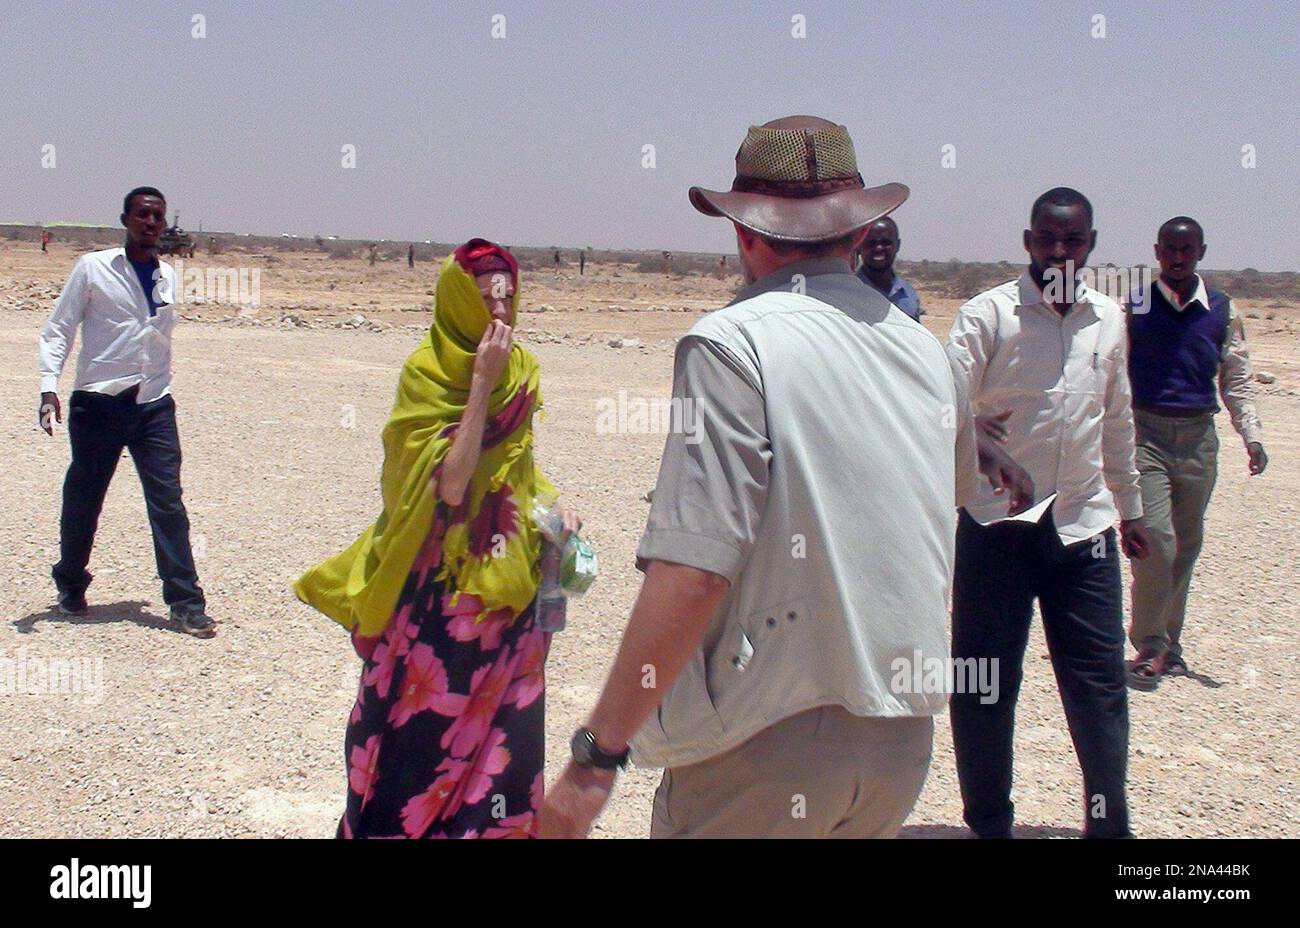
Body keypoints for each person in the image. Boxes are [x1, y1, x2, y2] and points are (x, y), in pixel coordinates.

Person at [539, 116, 1029, 839]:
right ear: (861, 234)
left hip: (762, 748)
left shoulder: (732, 345)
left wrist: (595, 759)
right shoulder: (926, 354)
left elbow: (695, 569)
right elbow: (934, 507)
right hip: (897, 749)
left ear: (743, 231)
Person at [294, 238, 580, 839]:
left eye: (508, 298)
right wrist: (480, 383)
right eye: (485, 301)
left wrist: (553, 511)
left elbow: (517, 469)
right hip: (439, 600)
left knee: (504, 746)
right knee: (421, 742)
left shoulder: (522, 370)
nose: (500, 314)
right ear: (458, 303)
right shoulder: (427, 375)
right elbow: (450, 486)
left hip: (509, 591)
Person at [946, 187, 1152, 839]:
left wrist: (1132, 507)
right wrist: (974, 435)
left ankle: (1109, 827)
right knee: (983, 686)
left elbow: (1116, 418)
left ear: (1091, 243)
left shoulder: (1109, 319)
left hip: (1083, 529)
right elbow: (937, 403)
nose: (1058, 250)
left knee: (1099, 690)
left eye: (1072, 240)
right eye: (1046, 238)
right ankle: (989, 823)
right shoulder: (989, 316)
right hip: (996, 528)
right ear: (1028, 240)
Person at [37, 187, 213, 637]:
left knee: (168, 502)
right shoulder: (93, 269)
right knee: (84, 498)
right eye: (142, 215)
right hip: (98, 404)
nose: (151, 223)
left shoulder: (168, 277)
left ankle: (185, 602)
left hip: (153, 404)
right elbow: (59, 328)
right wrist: (47, 387)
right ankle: (71, 584)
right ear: (125, 219)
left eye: (157, 216)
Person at [1124, 217, 1267, 690]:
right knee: (1157, 540)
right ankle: (1149, 643)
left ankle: (1169, 646)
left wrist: (1252, 436)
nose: (1178, 257)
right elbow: (1109, 372)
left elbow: (1237, 378)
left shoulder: (1223, 311)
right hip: (1146, 435)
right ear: (1157, 251)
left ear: (1201, 252)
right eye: (1169, 248)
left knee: (1186, 546)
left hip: (1199, 440)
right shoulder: (1134, 306)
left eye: (1187, 249)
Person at [856, 216, 924, 322]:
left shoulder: (908, 294)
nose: (879, 248)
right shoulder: (849, 292)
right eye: (871, 243)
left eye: (886, 243)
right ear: (859, 246)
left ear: (897, 245)